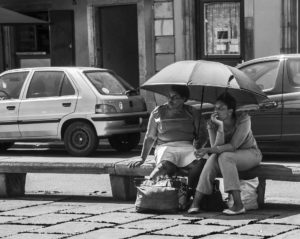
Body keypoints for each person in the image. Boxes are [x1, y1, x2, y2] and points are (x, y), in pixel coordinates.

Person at [188, 92, 262, 215]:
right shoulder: (213, 123)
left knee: (225, 156)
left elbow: (233, 146)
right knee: (213, 159)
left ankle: (238, 205)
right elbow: (215, 148)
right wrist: (220, 128)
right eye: (215, 108)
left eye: (221, 108)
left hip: (250, 153)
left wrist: (207, 150)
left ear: (230, 111)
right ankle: (196, 202)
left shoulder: (244, 119)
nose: (216, 111)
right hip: (227, 156)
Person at [129, 85, 208, 194]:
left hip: (187, 148)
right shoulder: (158, 111)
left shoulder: (192, 112)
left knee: (200, 162)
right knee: (166, 165)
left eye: (175, 97)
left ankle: (190, 191)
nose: (170, 100)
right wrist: (142, 158)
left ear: (184, 99)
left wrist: (199, 148)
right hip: (165, 147)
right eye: (169, 97)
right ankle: (146, 189)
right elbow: (150, 137)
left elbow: (203, 135)